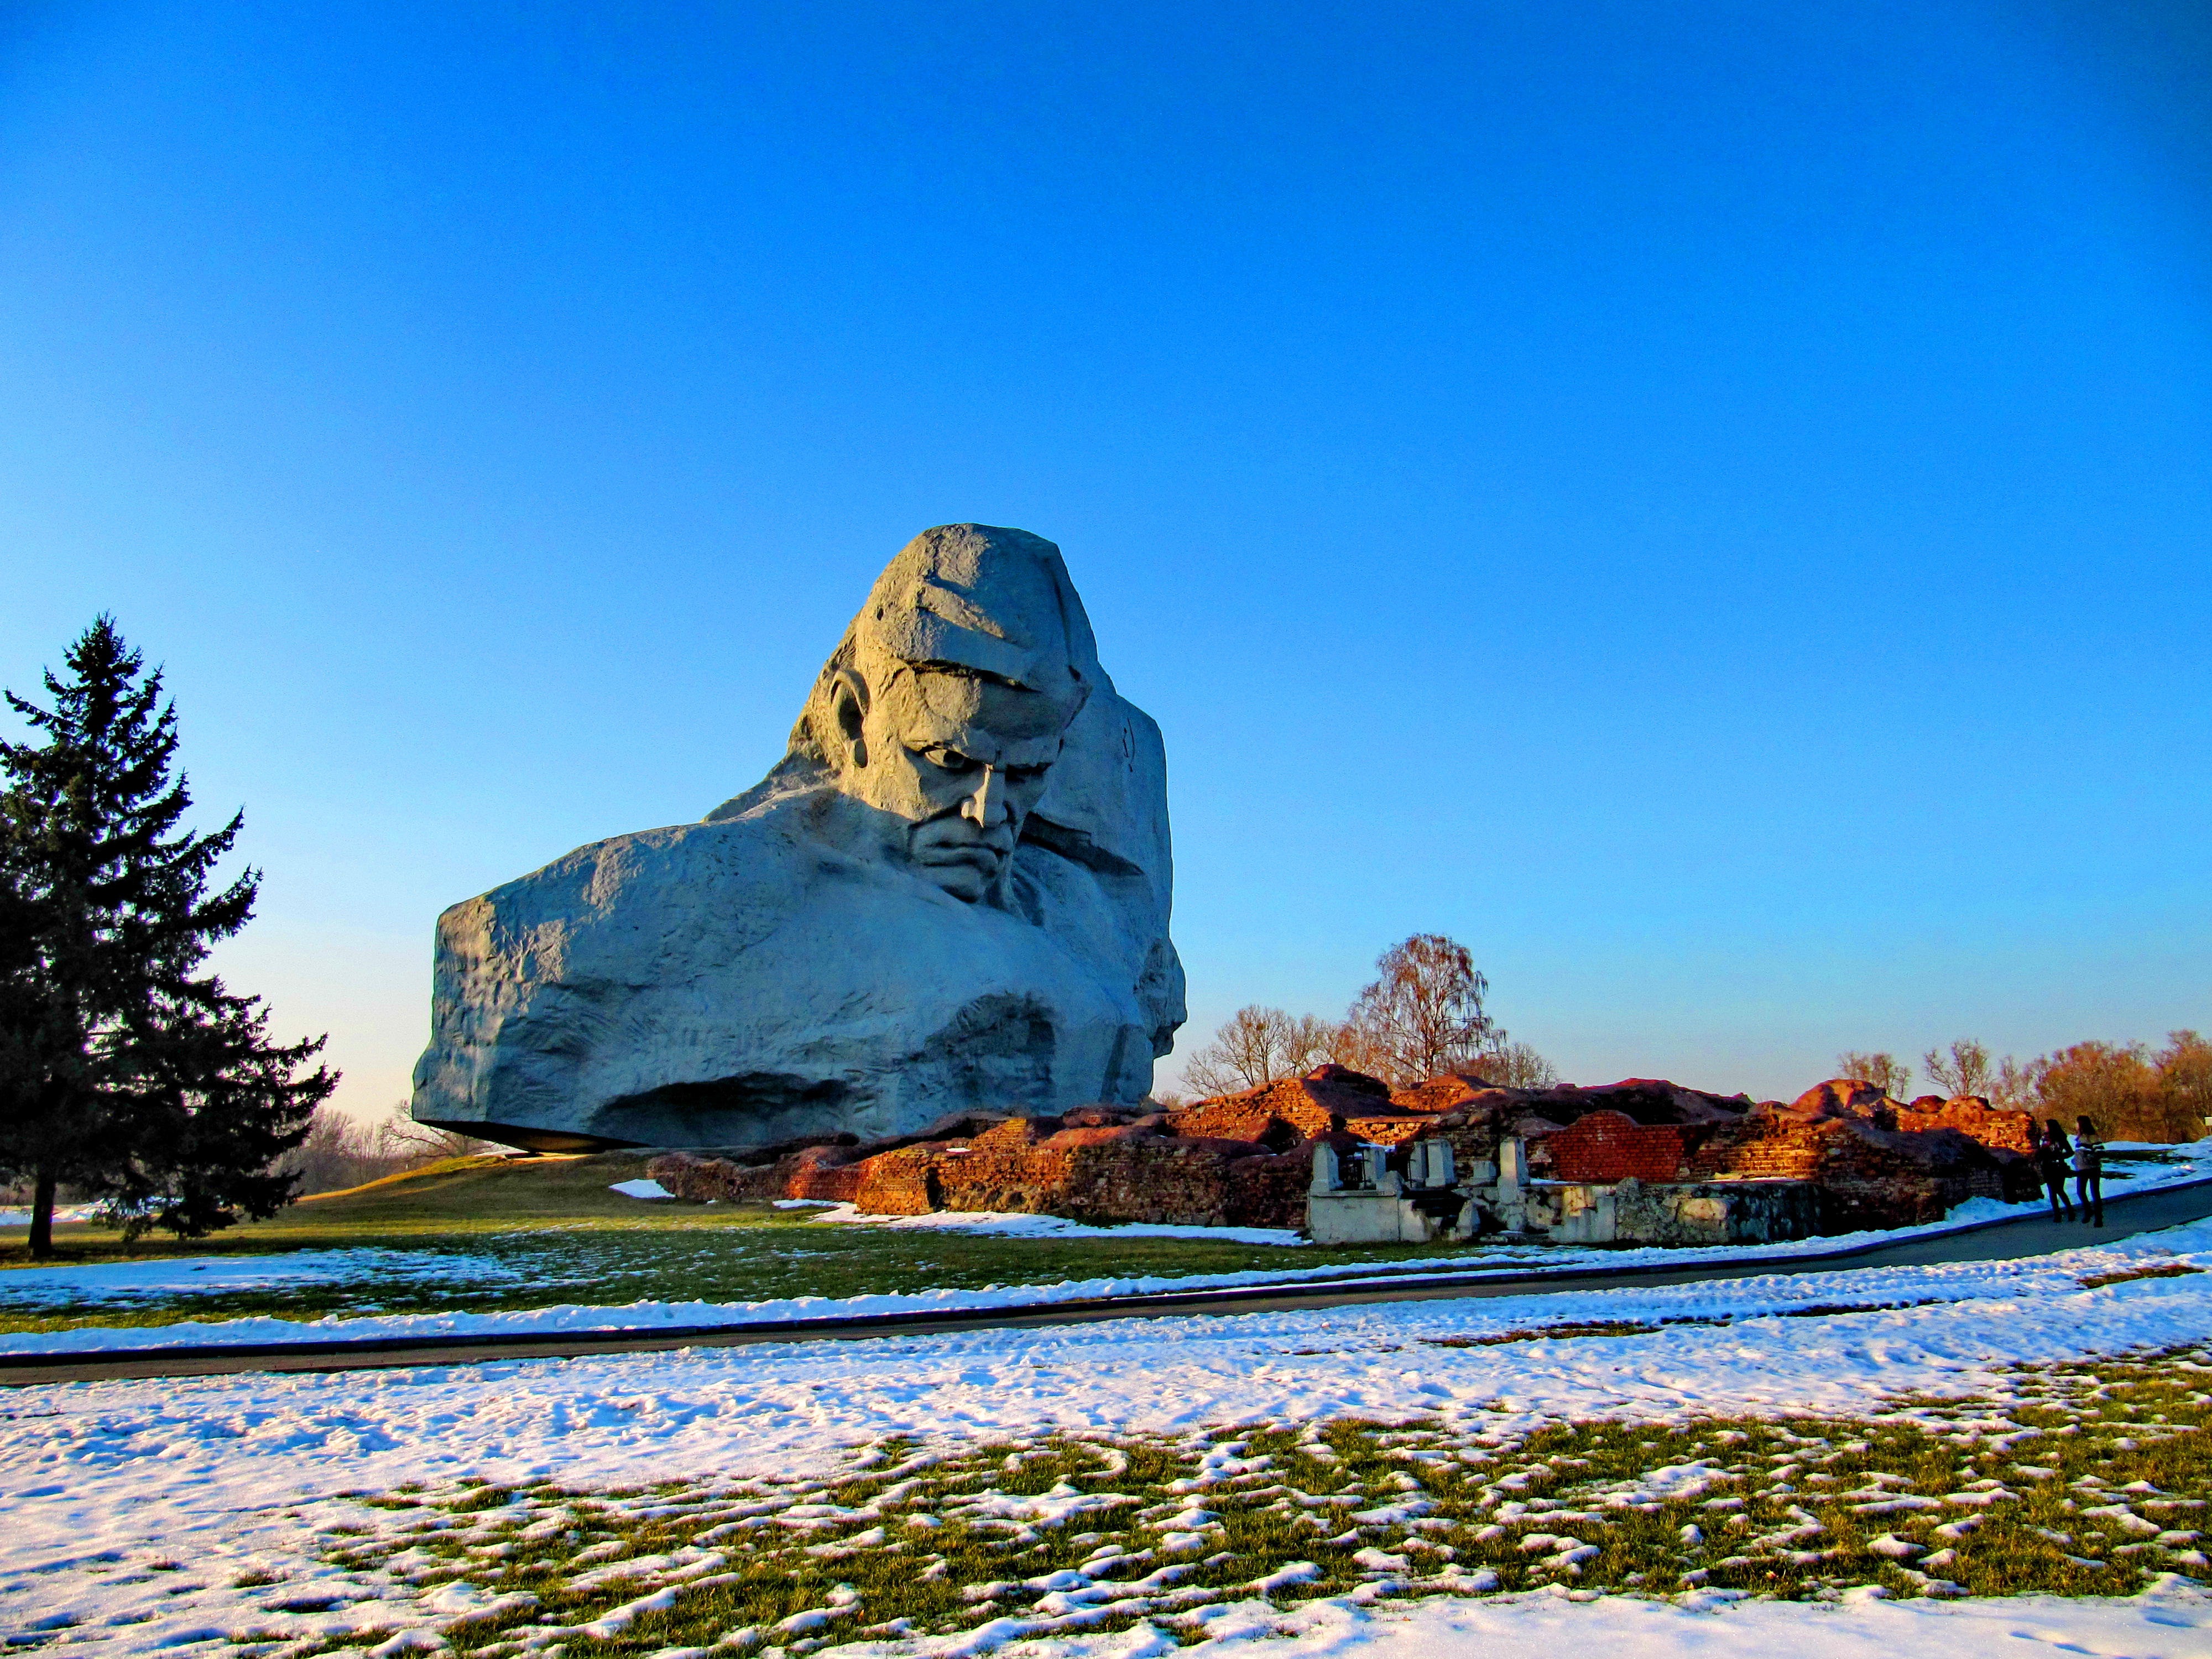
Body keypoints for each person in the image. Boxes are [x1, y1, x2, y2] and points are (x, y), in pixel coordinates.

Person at [2035, 1119, 2074, 1220]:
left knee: (2059, 1190)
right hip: (2047, 1166)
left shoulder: (2060, 1138)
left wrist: (2060, 1156)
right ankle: (2057, 1214)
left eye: (2046, 1126)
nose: (2045, 1127)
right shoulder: (2044, 1139)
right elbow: (2042, 1152)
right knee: (2052, 1191)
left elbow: (2070, 1152)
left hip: (2057, 1166)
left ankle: (2070, 1211)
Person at [2072, 1116, 2105, 1227]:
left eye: (2077, 1123)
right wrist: (2075, 1161)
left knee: (2095, 1192)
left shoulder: (2093, 1137)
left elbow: (2100, 1152)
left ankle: (2099, 1217)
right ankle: (2088, 1210)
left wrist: (2088, 1159)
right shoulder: (2079, 1138)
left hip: (2092, 1168)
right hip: (2082, 1169)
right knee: (2080, 1191)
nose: (2075, 1125)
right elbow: (2079, 1153)